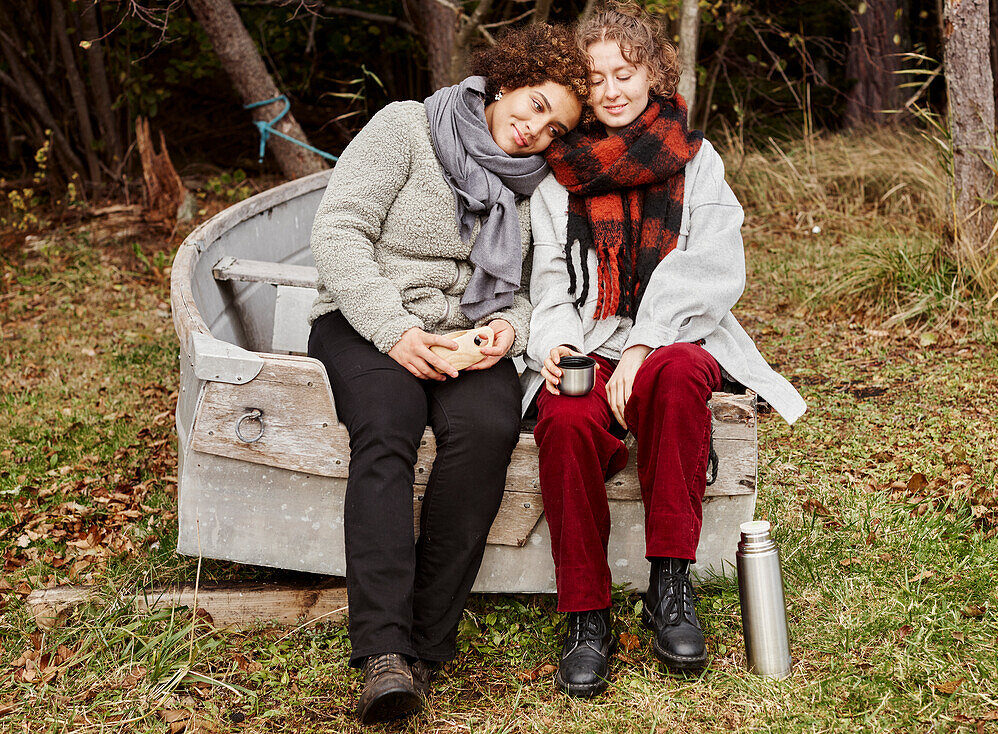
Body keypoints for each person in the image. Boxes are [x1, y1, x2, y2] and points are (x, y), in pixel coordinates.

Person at [523, 2, 807, 697]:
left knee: (680, 372)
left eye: (626, 71)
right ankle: (586, 615)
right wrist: (560, 349)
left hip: (673, 336)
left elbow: (712, 263)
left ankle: (669, 586)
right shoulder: (559, 177)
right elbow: (550, 286)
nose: (613, 89)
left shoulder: (695, 160)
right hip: (592, 343)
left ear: (653, 71)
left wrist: (647, 340)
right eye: (596, 78)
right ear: (582, 89)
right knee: (563, 417)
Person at [306, 25, 587, 723]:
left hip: (467, 334)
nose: (534, 129)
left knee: (488, 427)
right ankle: (381, 651)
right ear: (505, 82)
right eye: (533, 104)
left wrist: (507, 332)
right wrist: (395, 332)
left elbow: (525, 287)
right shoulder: (406, 127)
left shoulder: (534, 187)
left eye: (553, 126)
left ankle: (425, 646)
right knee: (388, 425)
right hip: (365, 316)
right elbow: (338, 232)